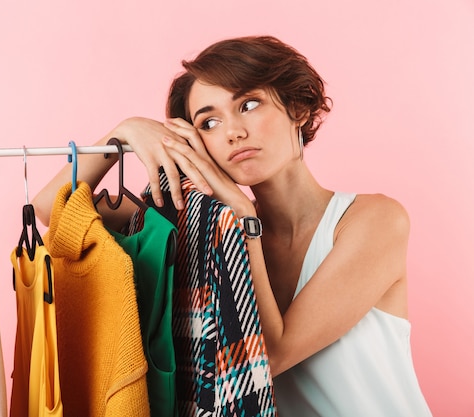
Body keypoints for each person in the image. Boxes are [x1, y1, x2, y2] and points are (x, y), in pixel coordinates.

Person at [33, 35, 432, 416]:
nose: (233, 133)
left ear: (299, 109)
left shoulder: (374, 220)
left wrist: (244, 216)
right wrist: (120, 135)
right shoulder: (206, 232)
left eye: (249, 105)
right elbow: (54, 210)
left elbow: (269, 355)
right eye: (208, 123)